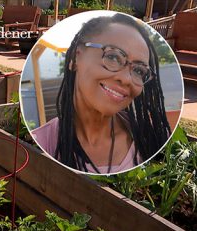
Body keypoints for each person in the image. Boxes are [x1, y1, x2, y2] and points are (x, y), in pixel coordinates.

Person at [31, 13, 171, 174]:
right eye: (113, 56)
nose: (126, 79)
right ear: (76, 59)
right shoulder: (42, 142)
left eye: (139, 71)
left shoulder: (154, 140)